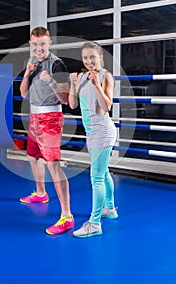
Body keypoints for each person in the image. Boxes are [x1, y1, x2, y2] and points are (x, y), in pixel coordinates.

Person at [19, 26, 74, 235]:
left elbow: (65, 99)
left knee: (53, 166)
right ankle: (41, 192)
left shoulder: (57, 63)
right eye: (35, 44)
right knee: (32, 156)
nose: (39, 47)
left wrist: (50, 80)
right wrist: (27, 74)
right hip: (34, 116)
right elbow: (23, 93)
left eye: (42, 43)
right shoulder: (31, 63)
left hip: (50, 118)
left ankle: (67, 216)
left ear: (49, 43)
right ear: (31, 44)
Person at [68, 41, 118, 238]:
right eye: (85, 58)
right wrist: (73, 83)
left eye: (92, 57)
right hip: (91, 132)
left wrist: (96, 84)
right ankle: (110, 209)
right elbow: (72, 104)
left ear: (100, 58)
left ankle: (95, 223)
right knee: (103, 173)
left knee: (96, 177)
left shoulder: (106, 76)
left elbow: (105, 107)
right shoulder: (81, 77)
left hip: (103, 132)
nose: (89, 61)